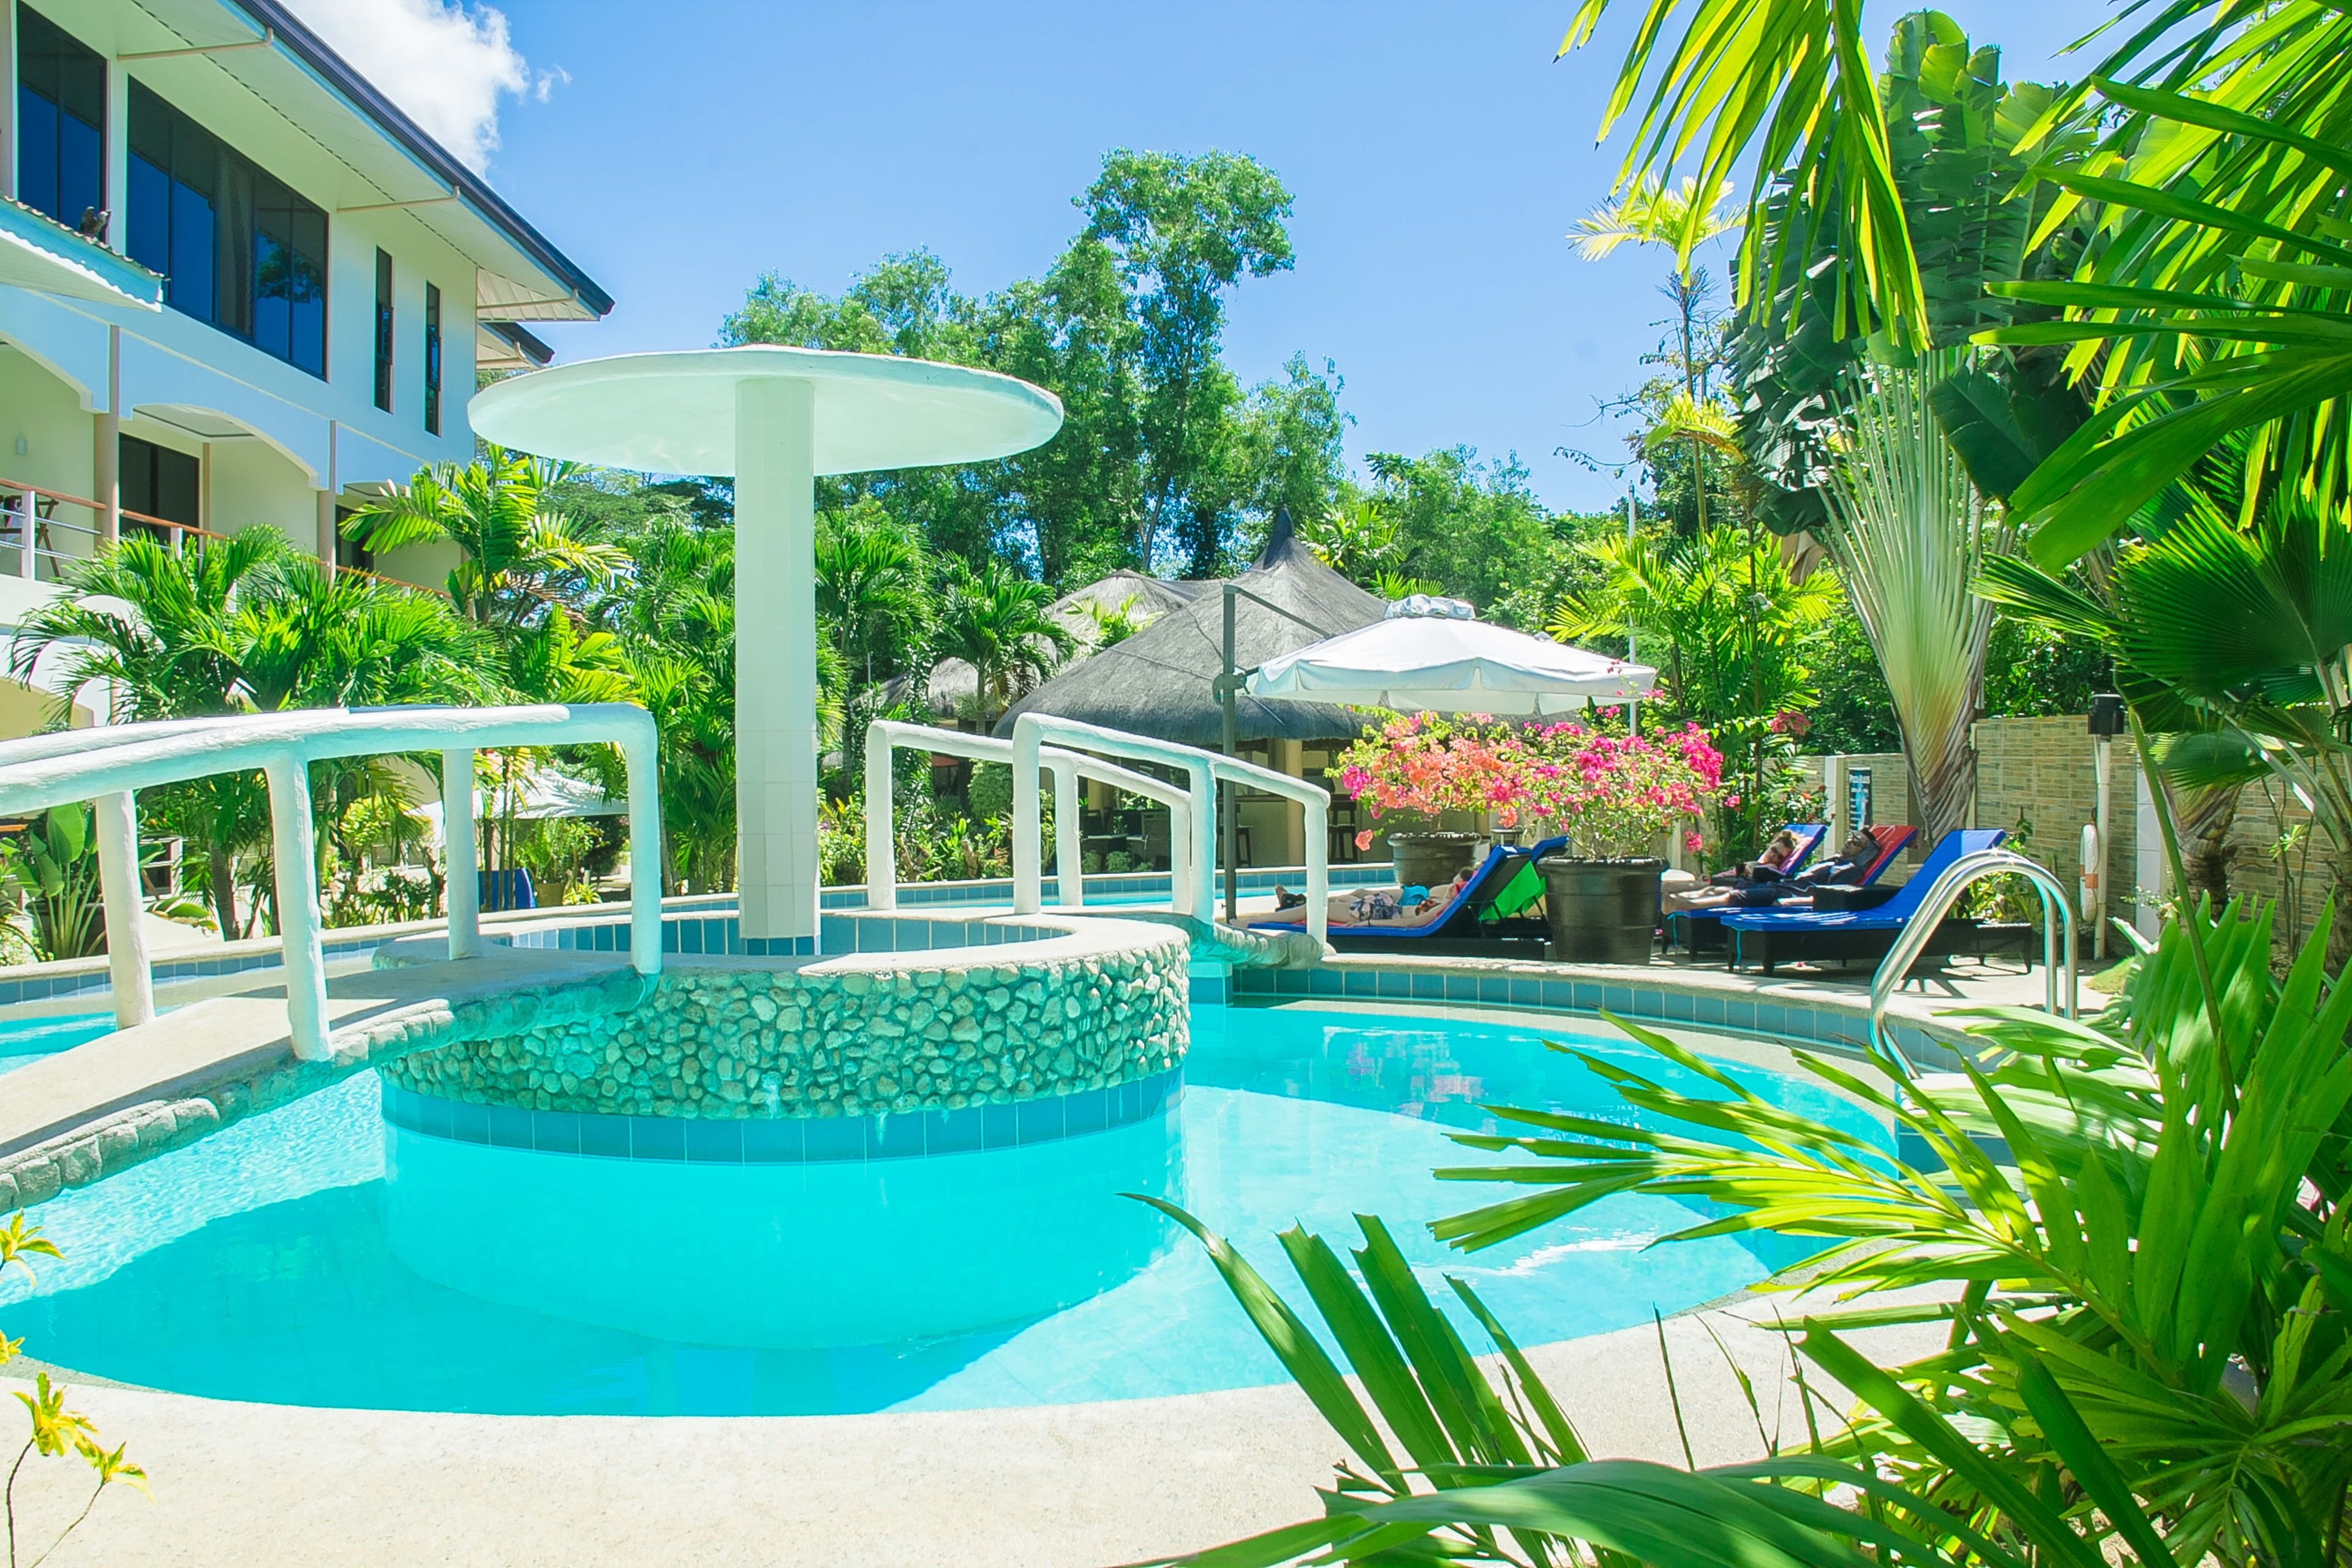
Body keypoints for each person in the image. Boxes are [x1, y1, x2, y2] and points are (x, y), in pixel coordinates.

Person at [1664, 829, 1804, 913]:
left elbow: (1751, 873)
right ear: (1770, 845)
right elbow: (1732, 872)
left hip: (1735, 887)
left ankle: (1672, 903)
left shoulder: (1771, 868)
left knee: (1704, 891)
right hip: (1722, 882)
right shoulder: (1758, 862)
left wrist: (1750, 867)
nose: (1774, 856)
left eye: (1780, 857)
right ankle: (1656, 893)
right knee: (1689, 885)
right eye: (1774, 850)